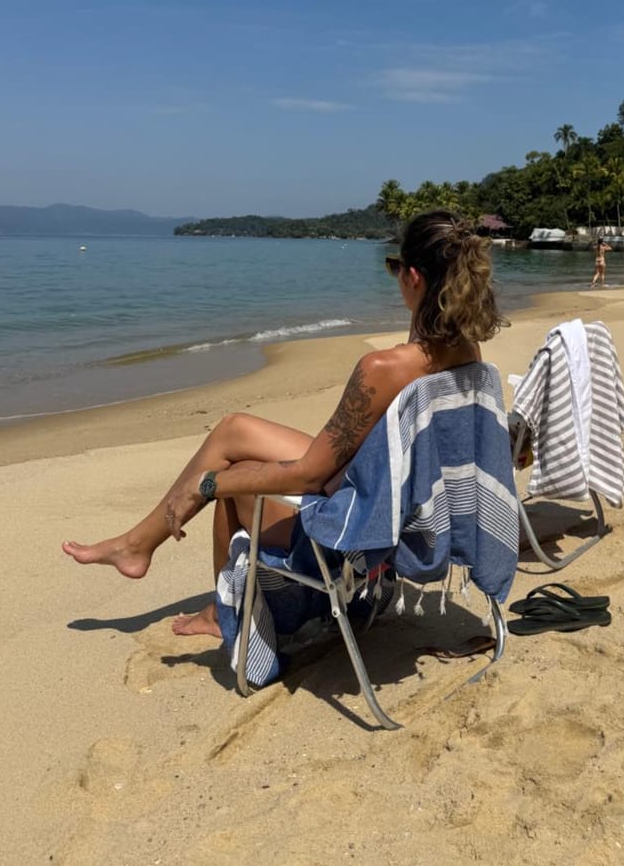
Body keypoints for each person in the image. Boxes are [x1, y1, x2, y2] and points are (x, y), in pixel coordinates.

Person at [62, 210, 506, 638]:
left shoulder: (384, 367)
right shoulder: (468, 353)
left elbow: (310, 476)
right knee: (234, 429)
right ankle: (140, 545)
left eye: (395, 270)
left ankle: (216, 609)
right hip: (405, 503)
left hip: (361, 525)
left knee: (231, 483)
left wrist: (209, 484)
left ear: (413, 277)